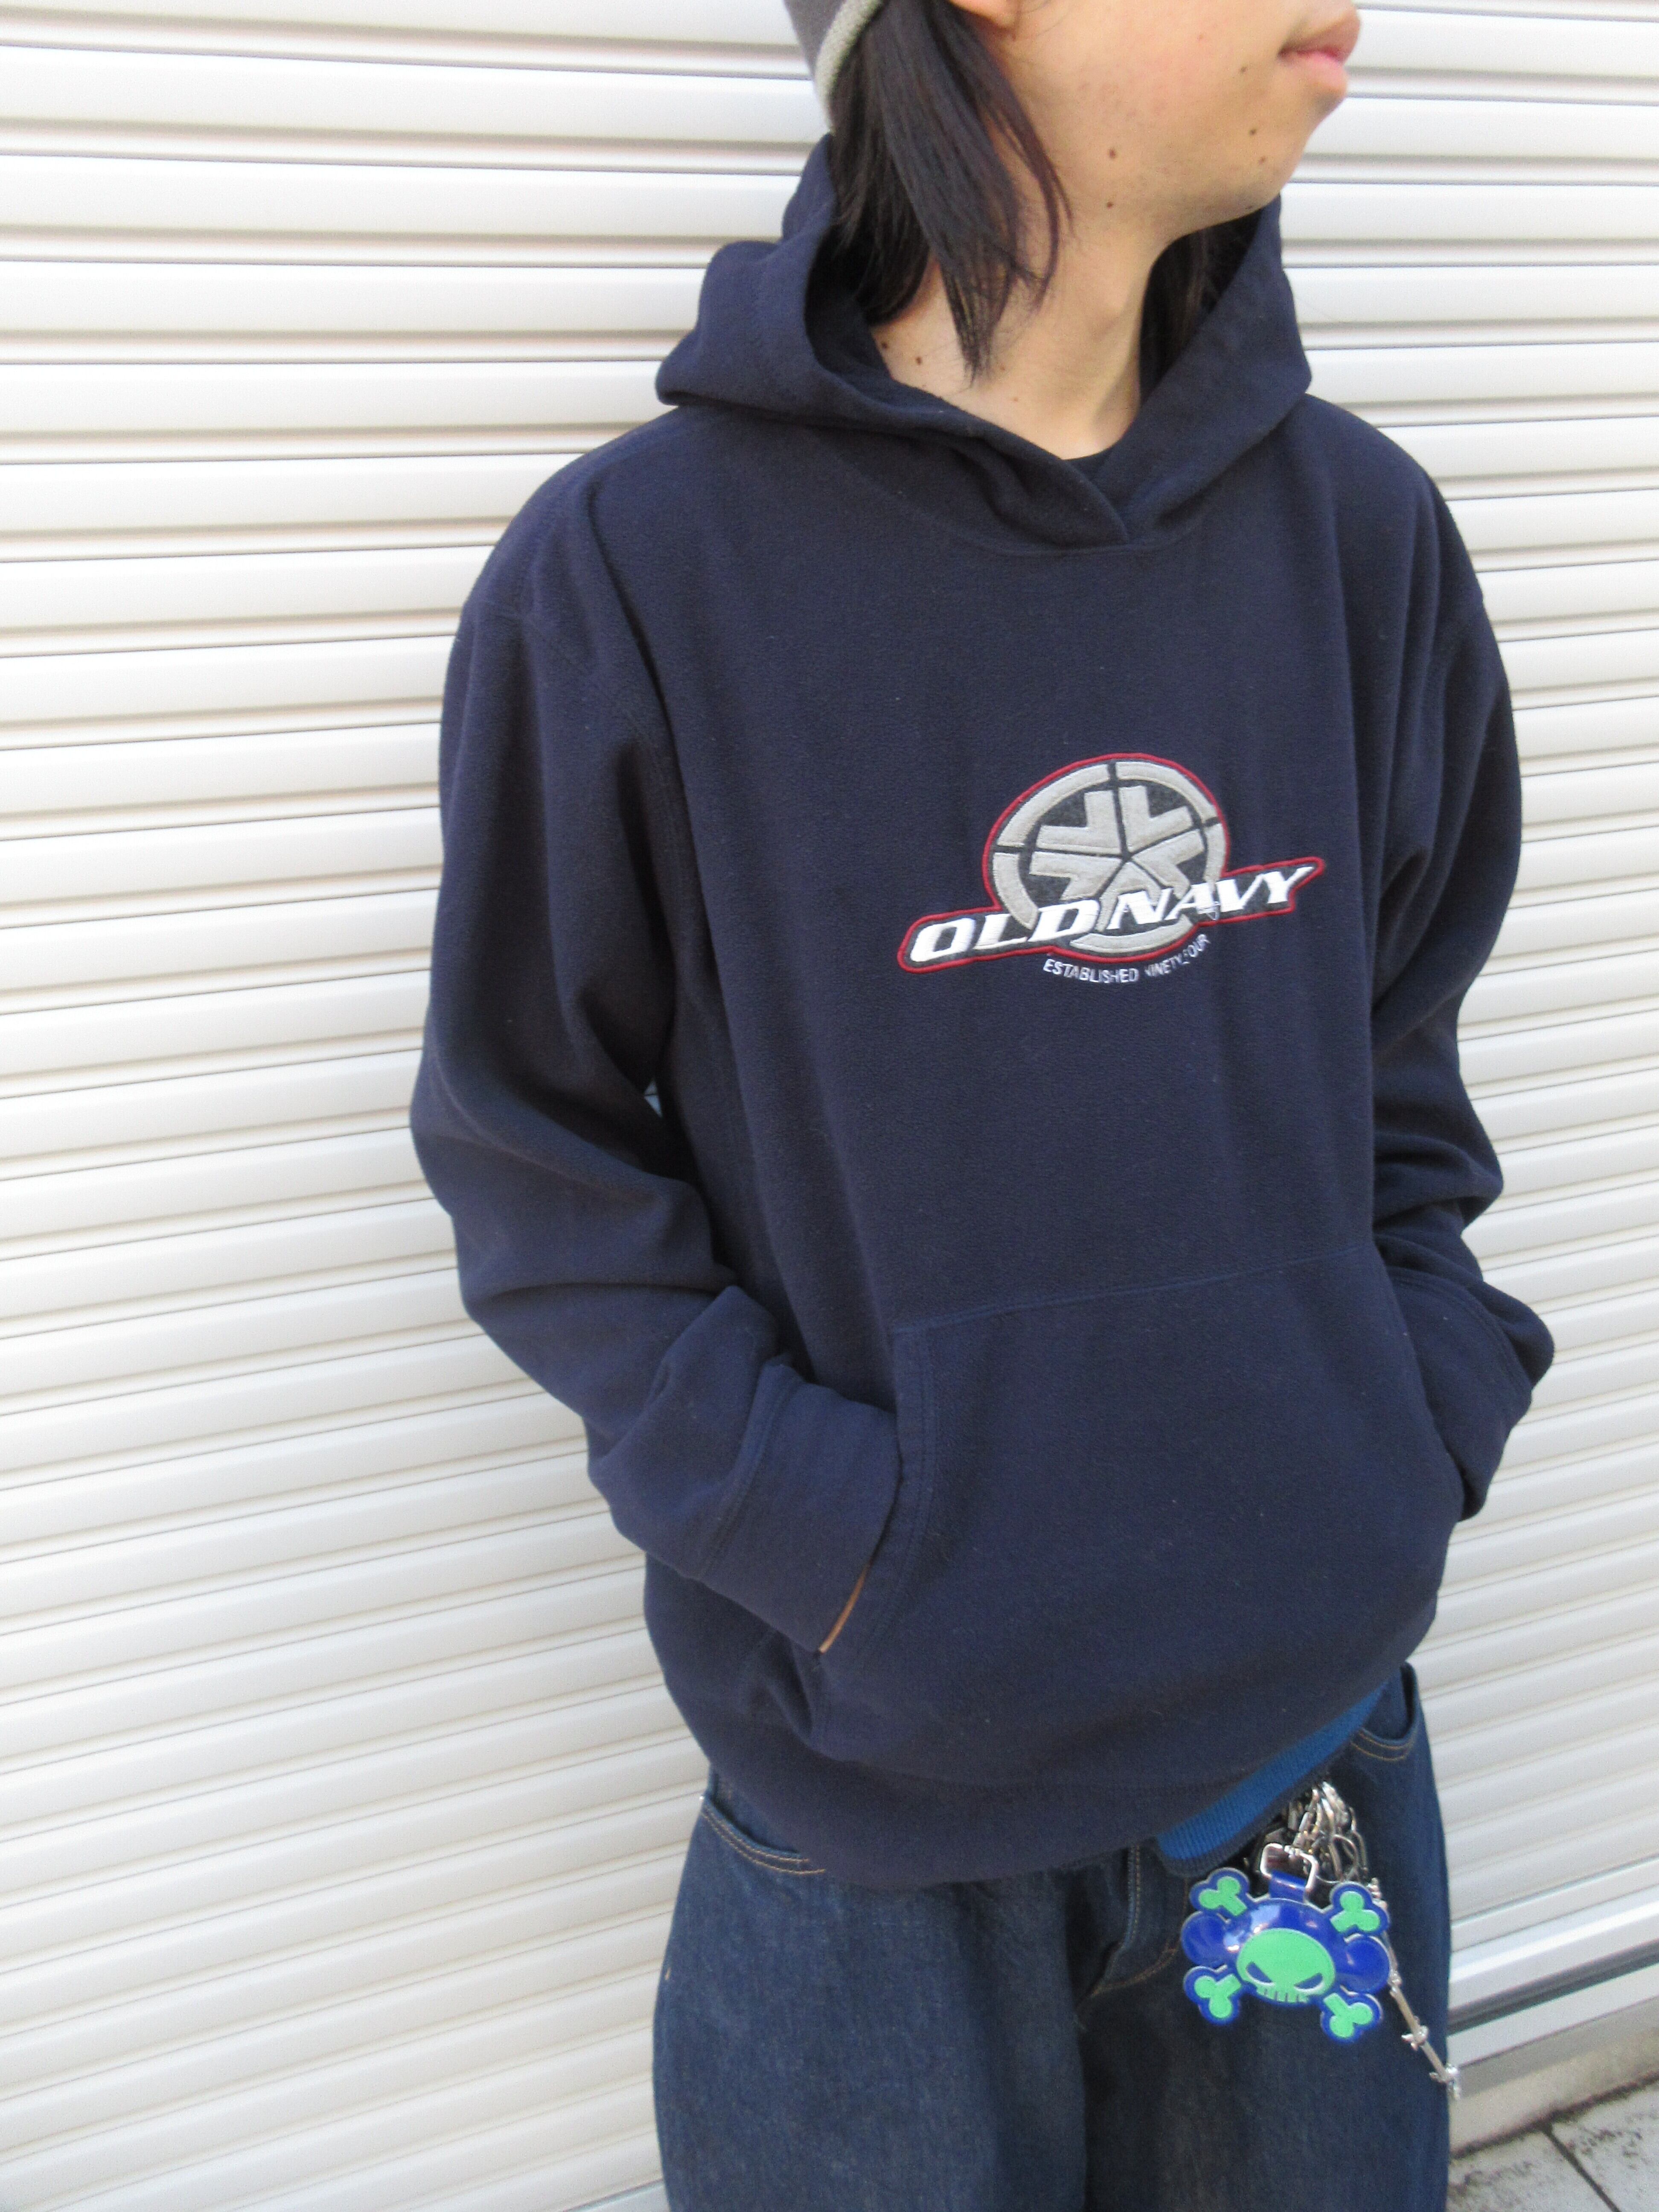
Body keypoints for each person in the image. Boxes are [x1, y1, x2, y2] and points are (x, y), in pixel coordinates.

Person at [410, 0, 1557, 2201]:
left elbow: (1402, 1054)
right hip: (873, 1847)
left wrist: (1406, 1418)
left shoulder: (1362, 541)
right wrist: (830, 1541)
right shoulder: (641, 573)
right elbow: (531, 1143)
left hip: (1304, 1782)